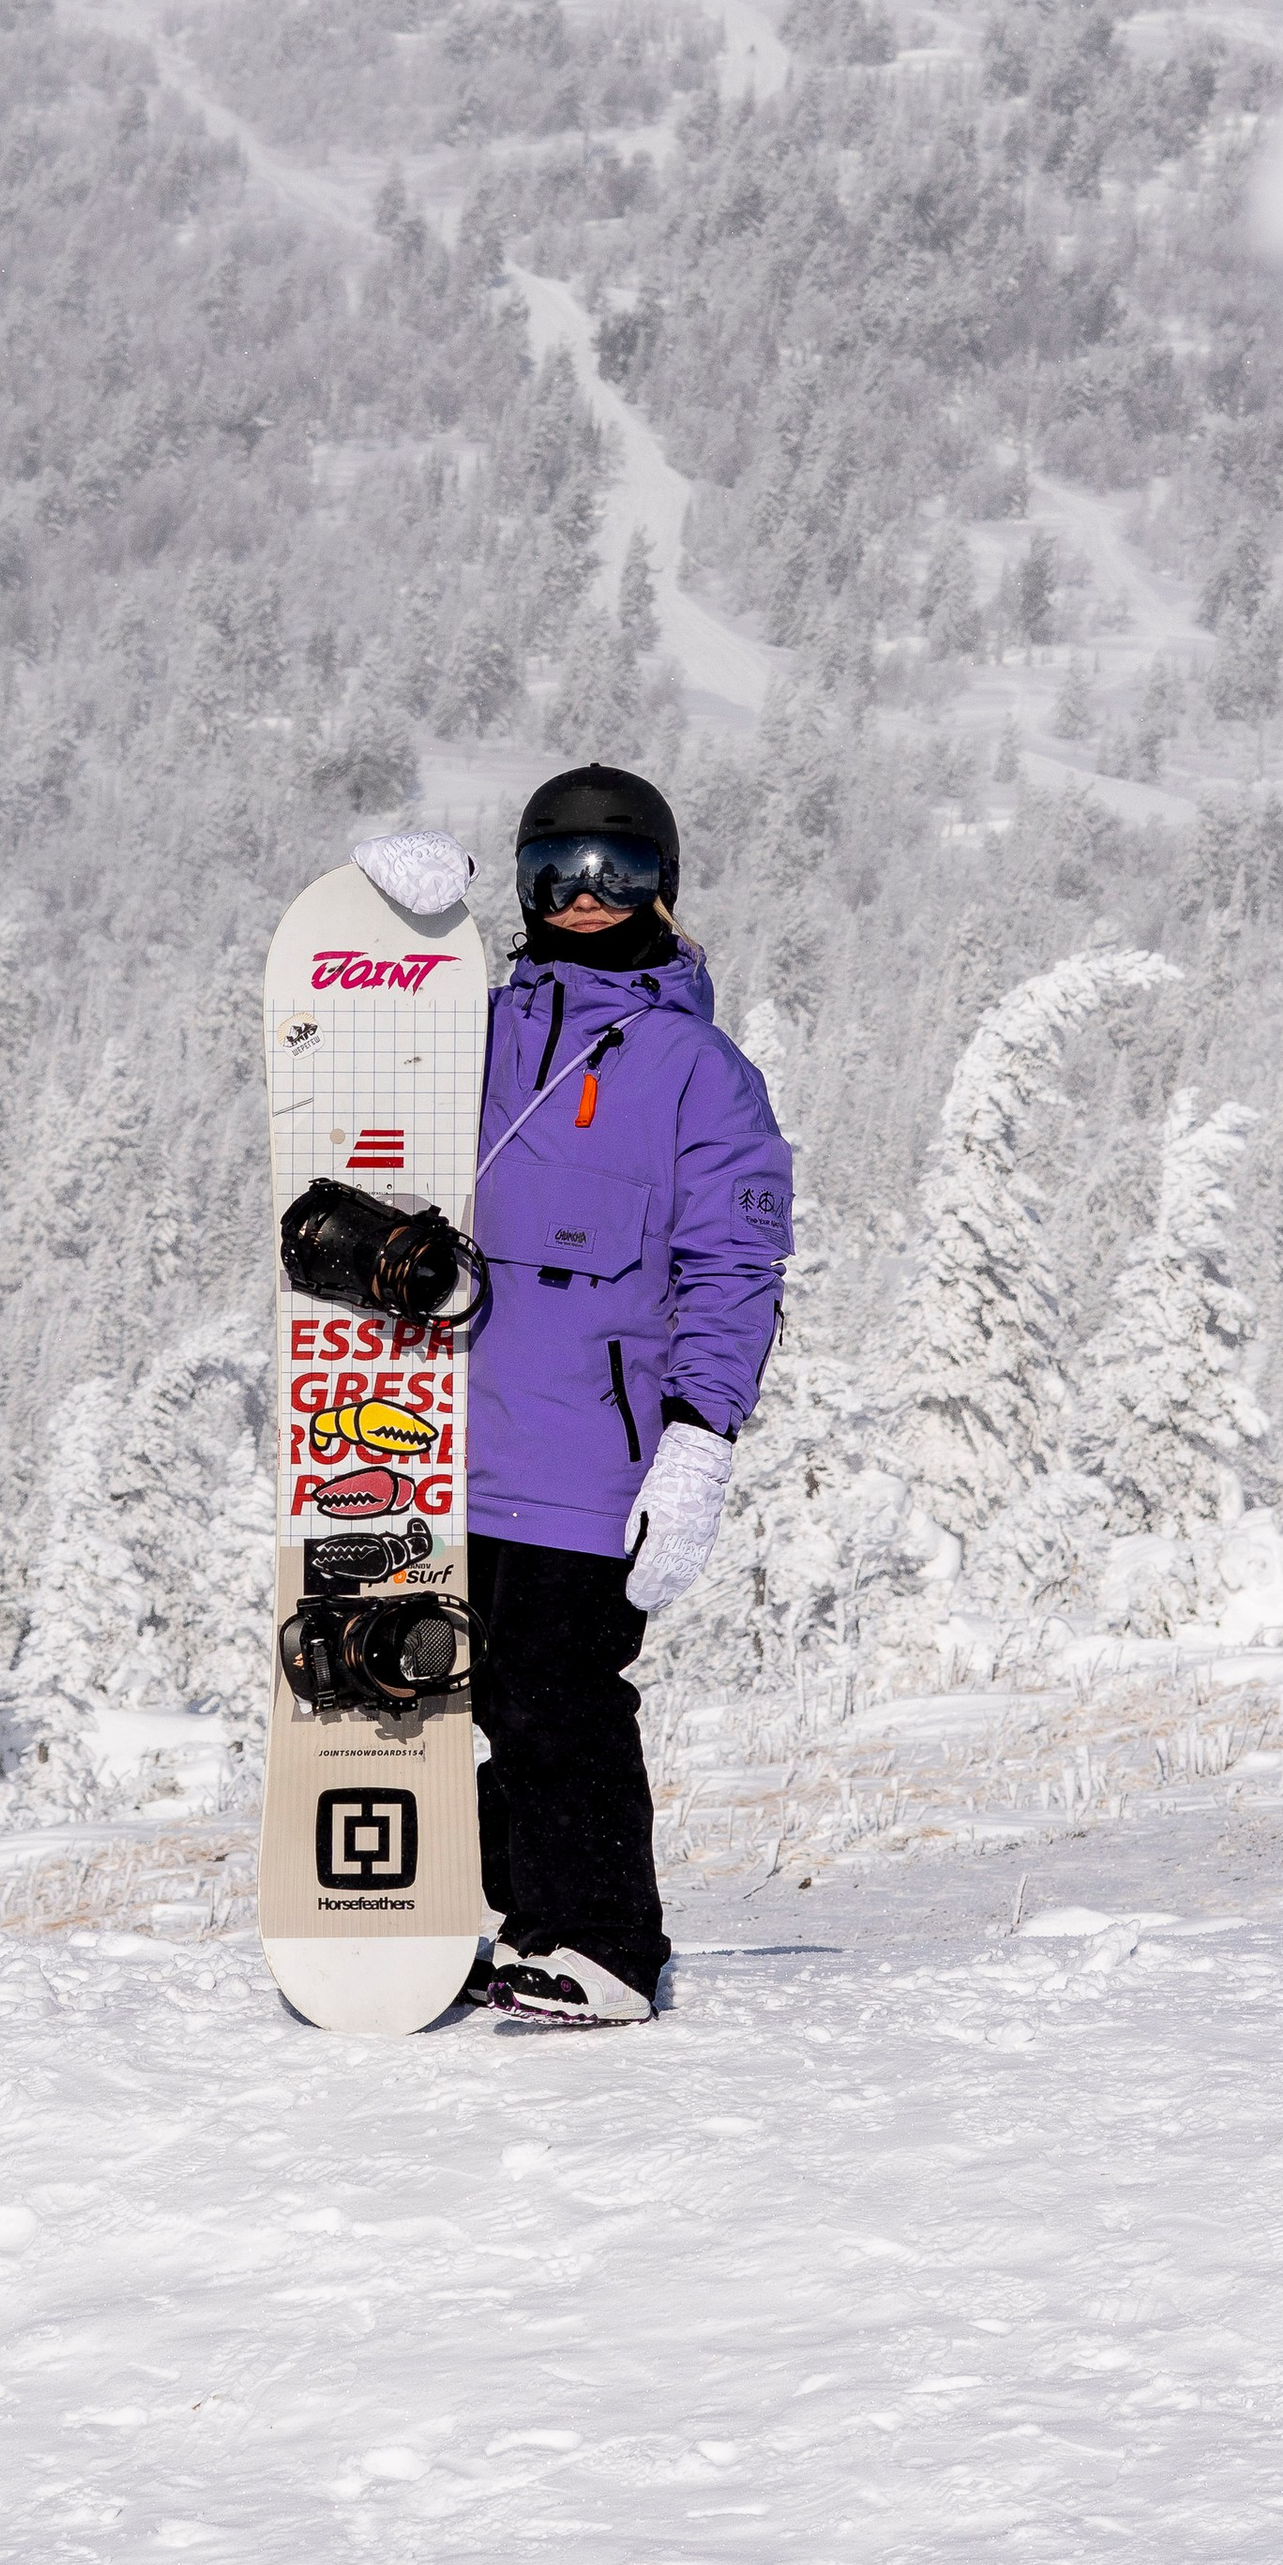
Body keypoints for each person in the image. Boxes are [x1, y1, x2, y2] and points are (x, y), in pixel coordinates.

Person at [464, 761, 792, 2026]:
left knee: (557, 1696)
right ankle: (512, 1916)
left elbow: (734, 1268)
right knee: (467, 1696)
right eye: (559, 873)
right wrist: (395, 932)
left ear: (666, 889)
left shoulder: (700, 1072)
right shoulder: (471, 1026)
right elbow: (352, 1084)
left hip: (590, 1454)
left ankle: (604, 1944)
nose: (589, 898)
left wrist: (700, 1440)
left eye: (623, 873)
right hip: (433, 1434)